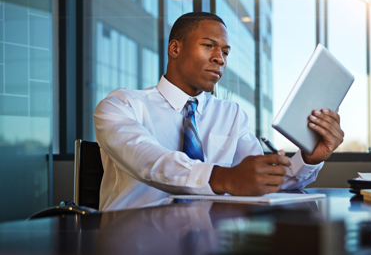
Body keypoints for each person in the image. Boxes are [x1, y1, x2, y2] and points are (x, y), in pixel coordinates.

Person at [94, 12, 344, 211]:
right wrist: (225, 178)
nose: (220, 59)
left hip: (212, 236)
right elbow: (151, 161)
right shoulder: (121, 105)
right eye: (208, 46)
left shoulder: (232, 114)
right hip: (132, 239)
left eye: (225, 52)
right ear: (175, 49)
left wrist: (310, 157)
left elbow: (262, 180)